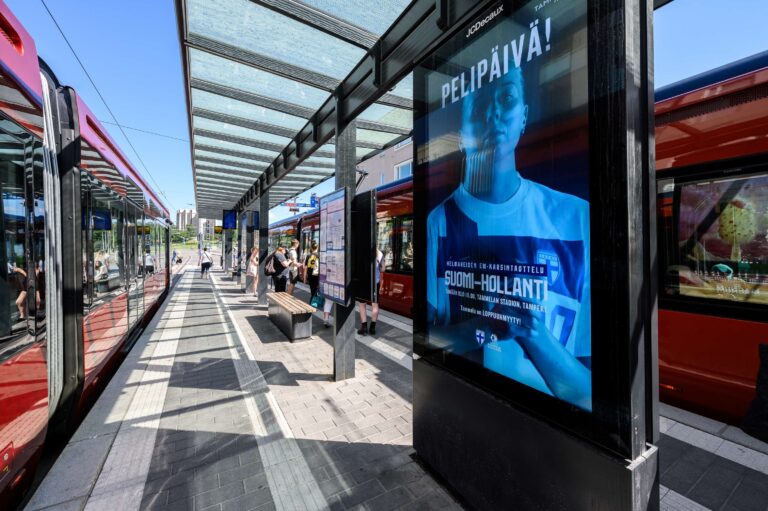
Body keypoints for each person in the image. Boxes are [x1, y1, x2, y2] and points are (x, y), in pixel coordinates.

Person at [426, 65, 592, 410]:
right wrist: (485, 326)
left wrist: (533, 332)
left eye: (506, 97)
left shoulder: (577, 218)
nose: (494, 113)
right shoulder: (439, 222)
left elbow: (591, 395)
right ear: (461, 133)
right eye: (481, 103)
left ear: (524, 116)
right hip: (466, 404)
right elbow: (428, 340)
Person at [358, 249, 385, 336]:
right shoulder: (379, 253)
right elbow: (383, 269)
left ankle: (364, 327)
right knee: (375, 305)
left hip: (363, 282)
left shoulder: (361, 251)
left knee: (362, 305)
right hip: (374, 283)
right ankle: (372, 328)